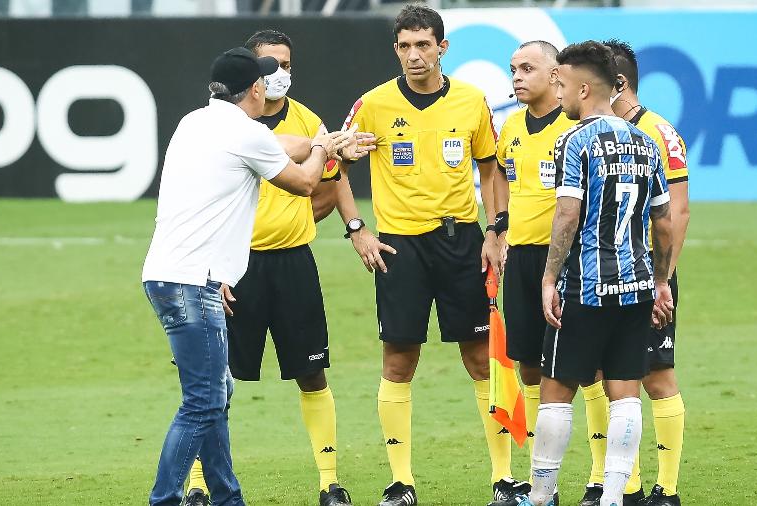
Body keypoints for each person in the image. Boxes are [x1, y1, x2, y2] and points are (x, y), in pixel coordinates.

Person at [140, 47, 361, 506]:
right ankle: (164, 499)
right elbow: (303, 181)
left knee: (216, 393)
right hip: (193, 283)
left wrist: (324, 143)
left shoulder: (194, 122)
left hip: (166, 274)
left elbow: (283, 146)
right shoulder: (246, 134)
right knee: (201, 402)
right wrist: (325, 147)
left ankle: (226, 497)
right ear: (256, 90)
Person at [332, 5, 520, 505]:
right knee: (398, 360)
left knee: (481, 358)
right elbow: (333, 163)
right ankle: (401, 483)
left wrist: (495, 231)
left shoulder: (470, 101)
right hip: (399, 247)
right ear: (395, 49)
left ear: (443, 47)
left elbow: (490, 169)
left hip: (461, 243)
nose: (414, 56)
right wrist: (357, 230)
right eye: (404, 46)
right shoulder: (371, 104)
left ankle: (503, 479)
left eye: (423, 45)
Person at [514, 40, 674, 506]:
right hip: (637, 283)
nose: (558, 93)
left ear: (583, 88)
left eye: (561, 84)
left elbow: (566, 215)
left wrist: (548, 278)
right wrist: (661, 280)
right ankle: (613, 496)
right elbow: (662, 222)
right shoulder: (646, 141)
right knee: (625, 390)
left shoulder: (574, 140)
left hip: (586, 284)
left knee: (556, 389)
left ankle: (541, 494)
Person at [573, 39, 690, 506]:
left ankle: (667, 488)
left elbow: (676, 213)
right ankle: (621, 484)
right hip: (601, 273)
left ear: (616, 84)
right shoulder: (595, 135)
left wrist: (664, 281)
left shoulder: (660, 133)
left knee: (655, 374)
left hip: (646, 275)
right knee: (599, 374)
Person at [489, 39, 576, 506]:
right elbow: (501, 174)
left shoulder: (575, 125)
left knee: (590, 365)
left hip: (565, 258)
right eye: (513, 69)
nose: (517, 77)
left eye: (527, 68)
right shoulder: (511, 127)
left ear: (556, 72)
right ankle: (543, 482)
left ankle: (607, 477)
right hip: (521, 258)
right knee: (528, 363)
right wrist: (498, 226)